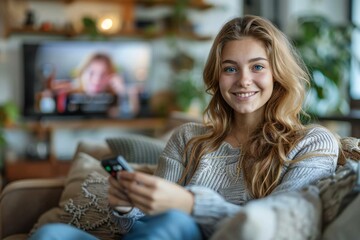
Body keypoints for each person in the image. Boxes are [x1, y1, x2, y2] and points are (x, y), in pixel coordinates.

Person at [29, 15, 339, 240]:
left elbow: (281, 227)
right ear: (217, 78)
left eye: (257, 66)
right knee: (52, 234)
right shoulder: (188, 139)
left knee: (175, 223)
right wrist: (125, 208)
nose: (243, 80)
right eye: (230, 69)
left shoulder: (312, 143)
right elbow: (141, 226)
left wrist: (191, 205)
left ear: (278, 75)